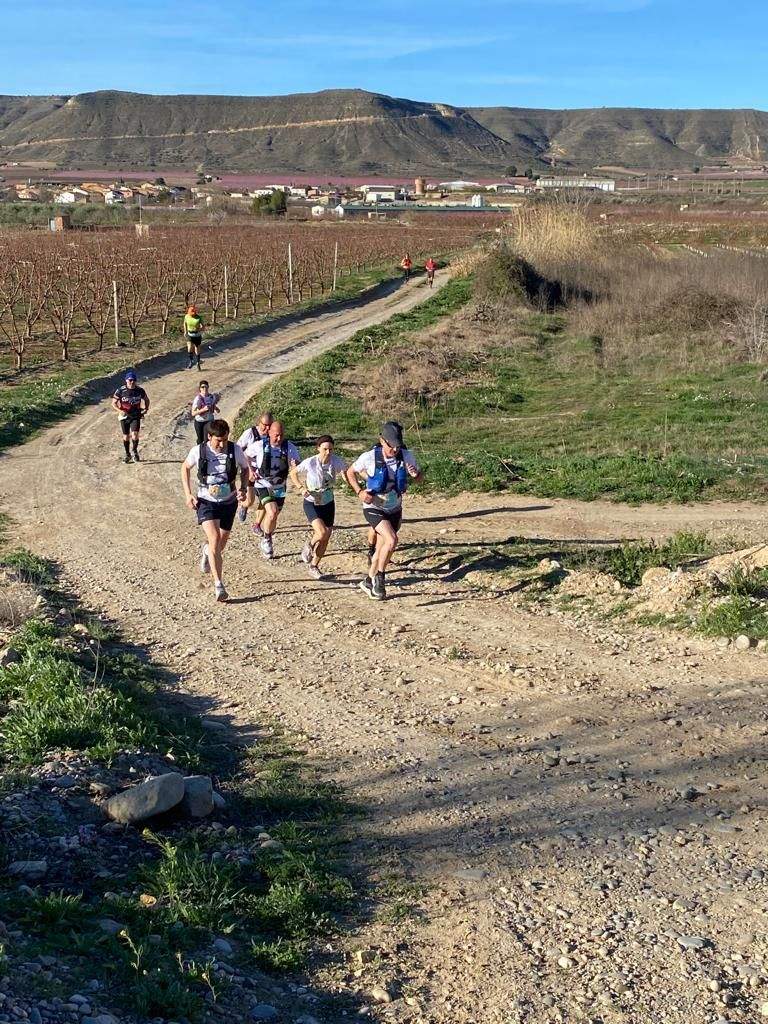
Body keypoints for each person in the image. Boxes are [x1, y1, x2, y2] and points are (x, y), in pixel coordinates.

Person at [345, 421, 422, 601]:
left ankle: (368, 581)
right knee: (392, 540)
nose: (394, 449)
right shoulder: (369, 457)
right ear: (382, 441)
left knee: (382, 548)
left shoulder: (406, 456)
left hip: (394, 508)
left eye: (398, 446)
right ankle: (380, 578)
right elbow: (350, 472)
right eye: (391, 445)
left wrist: (416, 475)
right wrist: (359, 492)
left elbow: (420, 478)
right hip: (374, 507)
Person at [180, 418, 249, 603]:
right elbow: (185, 467)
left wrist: (243, 488)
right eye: (219, 440)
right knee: (215, 539)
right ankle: (219, 585)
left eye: (225, 439)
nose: (222, 444)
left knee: (220, 544)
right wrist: (188, 494)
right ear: (209, 437)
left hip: (229, 501)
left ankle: (207, 552)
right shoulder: (198, 451)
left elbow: (245, 469)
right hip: (206, 501)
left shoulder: (235, 450)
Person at [289, 435, 347, 580]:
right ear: (318, 448)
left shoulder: (336, 461)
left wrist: (347, 479)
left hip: (328, 502)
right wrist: (301, 487)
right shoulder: (310, 462)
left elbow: (345, 471)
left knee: (326, 537)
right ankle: (308, 545)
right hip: (311, 501)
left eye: (330, 449)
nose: (328, 452)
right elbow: (293, 473)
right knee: (321, 532)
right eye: (325, 449)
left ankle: (314, 566)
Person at [241, 420, 300, 560]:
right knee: (272, 512)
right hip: (262, 483)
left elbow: (297, 463)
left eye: (281, 435)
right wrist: (251, 470)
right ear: (269, 433)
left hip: (280, 486)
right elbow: (245, 455)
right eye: (276, 435)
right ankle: (267, 540)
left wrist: (295, 464)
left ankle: (267, 536)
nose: (279, 438)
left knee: (274, 515)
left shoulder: (289, 447)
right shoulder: (260, 445)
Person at [235, 410, 274, 528]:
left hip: (265, 473)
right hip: (250, 471)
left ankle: (257, 524)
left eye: (270, 425)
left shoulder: (273, 434)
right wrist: (248, 468)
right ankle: (243, 505)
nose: (267, 428)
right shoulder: (250, 433)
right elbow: (238, 449)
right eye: (264, 425)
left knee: (267, 500)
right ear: (259, 423)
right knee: (250, 501)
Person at [112, 368, 149, 463]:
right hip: (124, 416)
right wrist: (120, 411)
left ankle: (135, 451)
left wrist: (146, 409)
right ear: (126, 380)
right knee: (126, 436)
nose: (132, 382)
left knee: (135, 435)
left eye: (134, 380)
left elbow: (146, 399)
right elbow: (113, 403)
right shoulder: (120, 390)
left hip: (136, 415)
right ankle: (127, 454)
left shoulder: (140, 390)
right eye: (130, 380)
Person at [190, 380, 220, 446]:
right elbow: (193, 413)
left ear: (208, 387)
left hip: (209, 421)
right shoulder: (197, 399)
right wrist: (203, 410)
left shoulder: (211, 397)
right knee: (200, 440)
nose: (204, 388)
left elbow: (213, 405)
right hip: (199, 421)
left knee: (207, 439)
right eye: (202, 387)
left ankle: (207, 451)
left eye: (206, 387)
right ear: (200, 388)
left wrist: (216, 409)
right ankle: (199, 450)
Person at [183, 305, 205, 370]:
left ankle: (198, 362)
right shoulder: (186, 316)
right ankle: (191, 361)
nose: (194, 313)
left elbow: (203, 327)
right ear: (189, 312)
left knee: (197, 349)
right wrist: (185, 331)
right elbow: (185, 323)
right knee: (189, 348)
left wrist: (199, 329)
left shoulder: (198, 318)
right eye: (192, 312)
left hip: (197, 335)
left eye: (195, 311)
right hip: (190, 335)